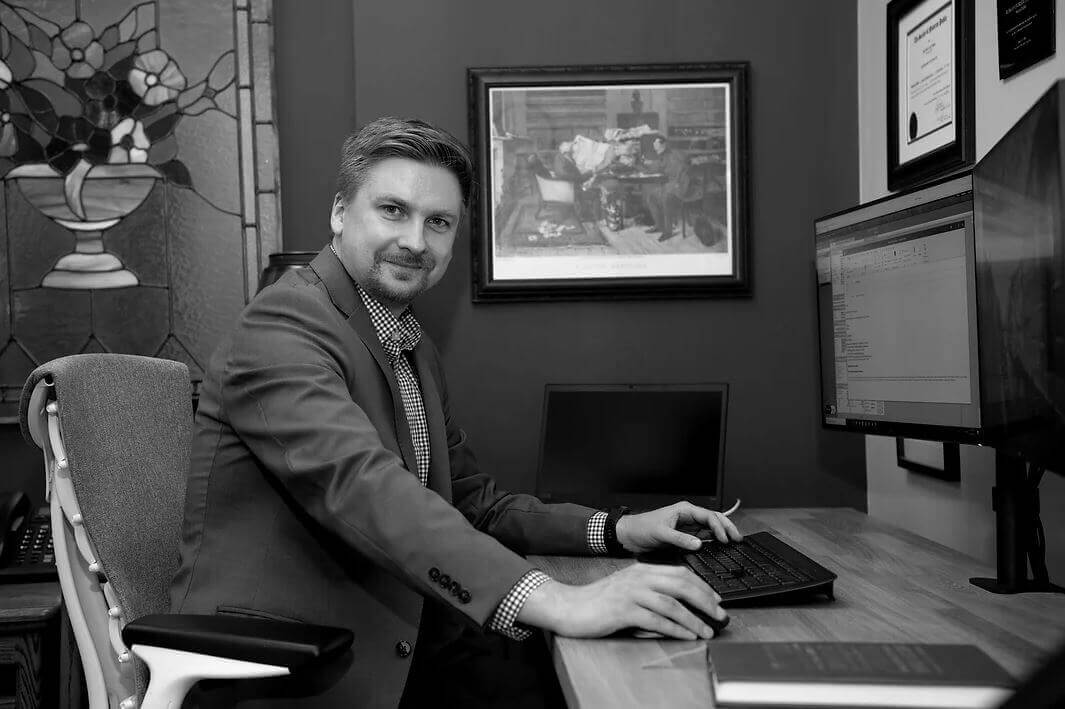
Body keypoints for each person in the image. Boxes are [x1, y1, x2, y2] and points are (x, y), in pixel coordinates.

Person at [169, 116, 741, 708]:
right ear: (340, 212)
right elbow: (362, 487)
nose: (416, 241)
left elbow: (472, 504)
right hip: (293, 672)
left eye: (437, 222)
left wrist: (618, 529)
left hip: (410, 643)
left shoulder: (406, 341)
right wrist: (558, 599)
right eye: (392, 210)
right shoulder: (283, 326)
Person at [643, 135, 691, 241]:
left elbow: (681, 170)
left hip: (680, 185)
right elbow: (657, 167)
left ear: (663, 144)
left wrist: (676, 184)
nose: (654, 146)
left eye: (656, 144)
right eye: (654, 144)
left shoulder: (674, 155)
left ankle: (668, 232)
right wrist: (644, 166)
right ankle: (659, 225)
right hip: (671, 184)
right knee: (652, 197)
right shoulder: (663, 155)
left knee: (666, 198)